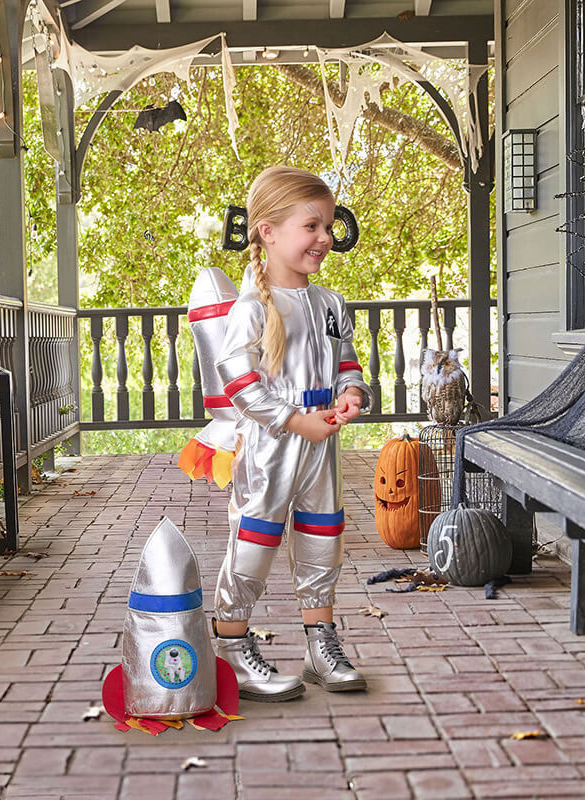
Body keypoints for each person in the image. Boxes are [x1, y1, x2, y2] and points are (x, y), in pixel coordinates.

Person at [213, 166, 371, 701]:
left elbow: (346, 362)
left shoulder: (330, 303)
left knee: (323, 538)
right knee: (255, 540)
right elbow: (239, 382)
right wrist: (294, 420)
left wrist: (351, 394)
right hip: (272, 445)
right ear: (268, 231)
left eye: (327, 226)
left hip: (321, 442)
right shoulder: (252, 308)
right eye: (312, 226)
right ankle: (232, 650)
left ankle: (319, 646)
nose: (325, 238)